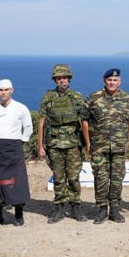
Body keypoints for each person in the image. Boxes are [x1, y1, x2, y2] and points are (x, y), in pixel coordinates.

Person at [82, 68, 129, 224]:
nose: (112, 82)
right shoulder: (94, 98)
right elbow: (84, 120)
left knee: (117, 178)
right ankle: (101, 209)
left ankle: (114, 209)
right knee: (100, 177)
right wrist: (88, 142)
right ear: (104, 81)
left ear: (119, 82)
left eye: (115, 80)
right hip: (99, 147)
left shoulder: (127, 98)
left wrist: (128, 140)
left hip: (119, 147)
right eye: (109, 80)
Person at [38, 64, 87, 223]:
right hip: (54, 144)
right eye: (59, 78)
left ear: (69, 78)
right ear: (55, 79)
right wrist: (40, 145)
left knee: (73, 178)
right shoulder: (48, 97)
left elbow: (84, 121)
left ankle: (75, 207)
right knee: (58, 178)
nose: (62, 80)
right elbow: (42, 122)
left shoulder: (77, 97)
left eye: (64, 77)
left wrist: (87, 144)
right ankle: (59, 208)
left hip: (73, 144)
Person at [0, 79, 33, 227]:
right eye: (1, 90)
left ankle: (18, 215)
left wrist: (21, 141)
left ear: (12, 90)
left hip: (14, 149)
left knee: (17, 182)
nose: (3, 92)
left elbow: (28, 127)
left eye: (6, 89)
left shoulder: (21, 108)